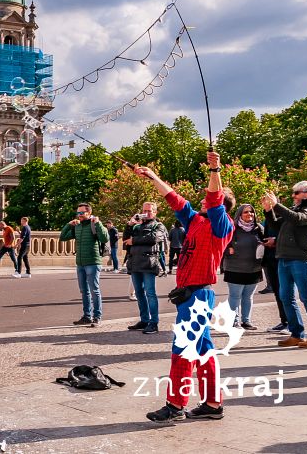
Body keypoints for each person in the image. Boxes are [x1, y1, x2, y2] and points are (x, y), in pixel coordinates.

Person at [136, 151, 234, 422]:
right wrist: (153, 176)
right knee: (204, 352)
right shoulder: (196, 221)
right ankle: (213, 405)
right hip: (191, 295)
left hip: (198, 294)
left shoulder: (222, 225)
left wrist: (215, 169)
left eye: (208, 197)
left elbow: (215, 200)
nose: (203, 198)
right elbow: (175, 200)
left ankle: (176, 405)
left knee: (182, 350)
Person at [263, 180, 307, 348]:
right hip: (284, 257)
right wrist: (269, 210)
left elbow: (299, 220)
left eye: (296, 193)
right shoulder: (295, 208)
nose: (293, 196)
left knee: (306, 296)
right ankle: (296, 334)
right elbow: (277, 225)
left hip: (300, 257)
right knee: (285, 297)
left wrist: (277, 205)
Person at [60, 204, 109, 327]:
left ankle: (97, 317)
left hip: (93, 262)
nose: (79, 215)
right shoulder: (77, 226)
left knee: (94, 290)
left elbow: (105, 238)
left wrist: (98, 223)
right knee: (84, 291)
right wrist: (68, 225)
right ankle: (87, 316)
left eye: (81, 213)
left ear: (89, 213)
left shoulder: (94, 224)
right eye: (78, 213)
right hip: (80, 263)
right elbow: (62, 237)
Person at [124, 202, 168, 334]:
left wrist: (135, 241)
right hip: (135, 262)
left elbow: (154, 238)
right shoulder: (137, 226)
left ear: (155, 212)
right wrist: (129, 225)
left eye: (149, 211)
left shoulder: (158, 225)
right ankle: (144, 320)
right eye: (144, 210)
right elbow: (126, 240)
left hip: (149, 262)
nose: (146, 213)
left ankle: (153, 322)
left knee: (150, 293)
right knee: (139, 293)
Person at [223, 204, 265, 329]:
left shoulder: (259, 229)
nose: (249, 214)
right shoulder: (232, 228)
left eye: (251, 212)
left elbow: (265, 243)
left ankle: (246, 321)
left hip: (254, 268)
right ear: (240, 214)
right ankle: (233, 321)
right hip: (235, 268)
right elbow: (221, 244)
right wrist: (227, 250)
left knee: (248, 296)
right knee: (235, 296)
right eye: (246, 212)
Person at [260, 218, 288, 332]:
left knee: (286, 294)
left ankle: (291, 323)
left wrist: (275, 241)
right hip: (270, 259)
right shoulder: (267, 219)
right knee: (277, 292)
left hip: (282, 259)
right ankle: (284, 321)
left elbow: (289, 236)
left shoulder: (285, 215)